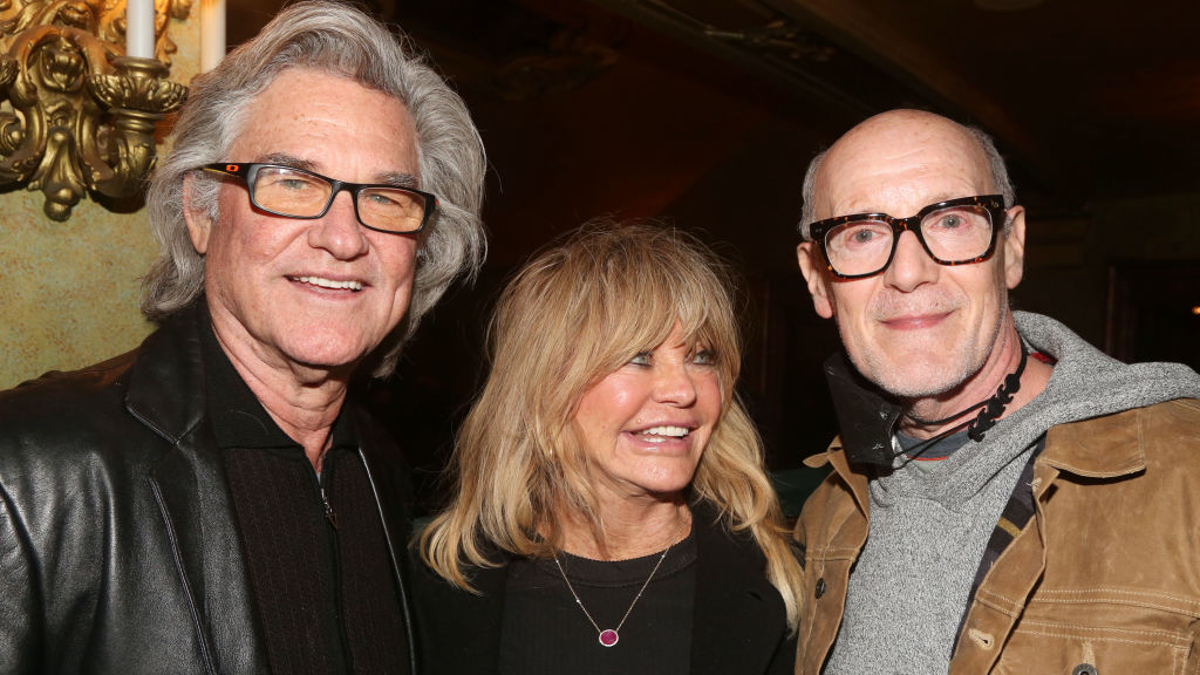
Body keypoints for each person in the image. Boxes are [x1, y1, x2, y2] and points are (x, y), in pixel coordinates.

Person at [0, 2, 485, 673]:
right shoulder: (31, 472)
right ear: (200, 212)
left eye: (385, 198)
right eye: (291, 182)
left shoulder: (381, 469)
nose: (344, 238)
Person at [791, 108, 1200, 674]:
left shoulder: (1185, 472)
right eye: (861, 233)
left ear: (1011, 247)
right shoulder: (824, 514)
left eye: (951, 221)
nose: (908, 272)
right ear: (818, 279)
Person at [413, 223, 802, 674]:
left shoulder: (787, 581)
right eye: (638, 356)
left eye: (701, 356)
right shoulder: (434, 588)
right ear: (544, 386)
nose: (682, 390)